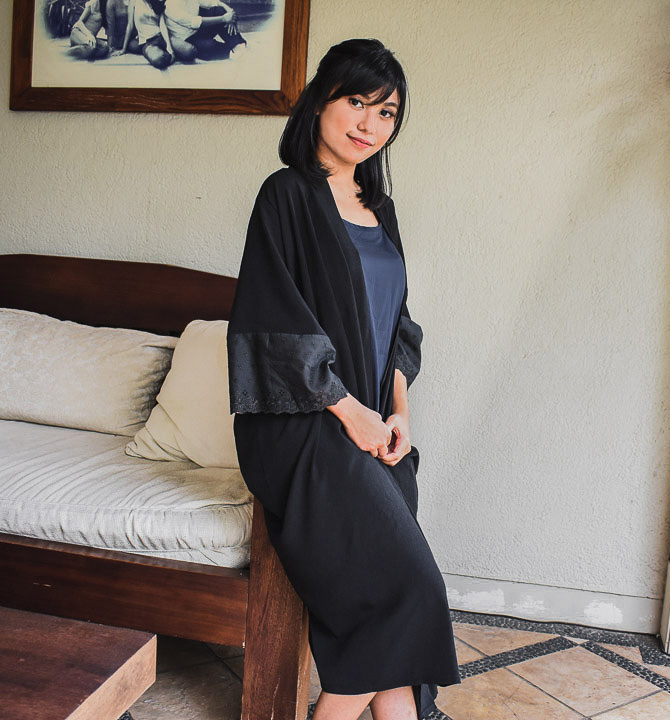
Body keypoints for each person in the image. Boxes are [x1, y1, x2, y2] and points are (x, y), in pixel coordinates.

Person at [227, 39, 461, 720]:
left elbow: (398, 327)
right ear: (320, 100)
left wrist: (398, 414)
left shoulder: (380, 208)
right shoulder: (286, 195)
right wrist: (351, 413)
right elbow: (273, 324)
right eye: (356, 101)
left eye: (386, 112)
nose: (369, 123)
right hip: (302, 427)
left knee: (389, 608)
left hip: (373, 427)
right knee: (409, 594)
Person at [113, 0, 172, 69]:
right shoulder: (133, 2)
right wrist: (123, 49)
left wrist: (169, 47)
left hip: (158, 37)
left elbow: (162, 25)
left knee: (159, 60)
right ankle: (161, 52)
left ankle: (165, 53)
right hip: (146, 41)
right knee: (158, 60)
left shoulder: (156, 2)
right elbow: (130, 25)